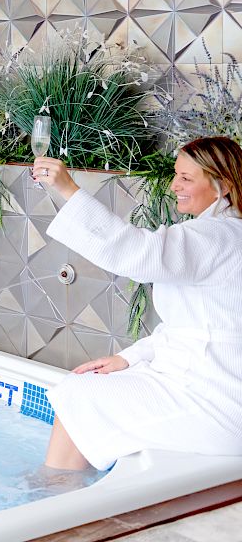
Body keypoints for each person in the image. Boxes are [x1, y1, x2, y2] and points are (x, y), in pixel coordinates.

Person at [33, 136, 242, 472]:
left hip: (216, 403)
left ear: (223, 186)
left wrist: (69, 189)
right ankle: (60, 489)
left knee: (78, 394)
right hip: (211, 387)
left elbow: (136, 253)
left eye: (187, 178)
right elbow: (190, 328)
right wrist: (126, 358)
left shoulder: (216, 237)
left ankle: (53, 498)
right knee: (84, 390)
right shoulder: (225, 234)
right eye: (176, 175)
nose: (174, 186)